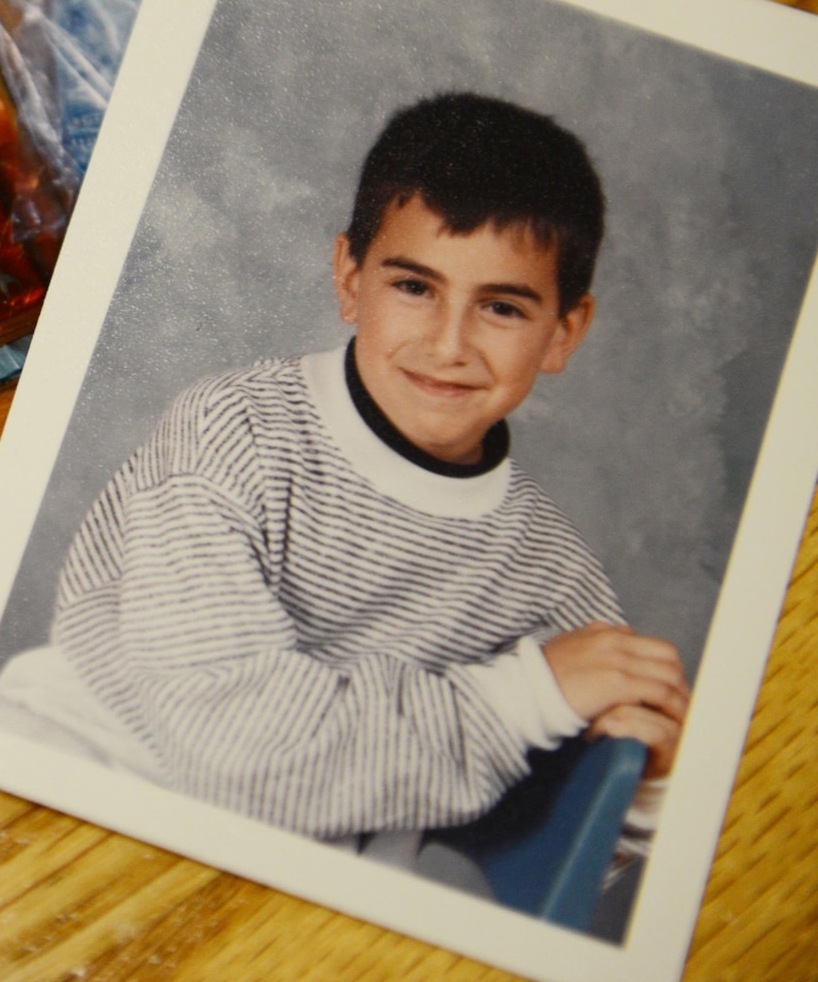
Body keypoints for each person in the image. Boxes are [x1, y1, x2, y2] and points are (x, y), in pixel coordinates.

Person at [37, 93, 689, 842]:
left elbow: (551, 857)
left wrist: (647, 786)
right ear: (350, 278)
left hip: (294, 870)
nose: (449, 344)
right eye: (414, 287)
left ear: (563, 332)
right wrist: (524, 700)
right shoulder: (231, 430)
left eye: (502, 307)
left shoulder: (554, 578)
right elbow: (229, 755)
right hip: (80, 785)